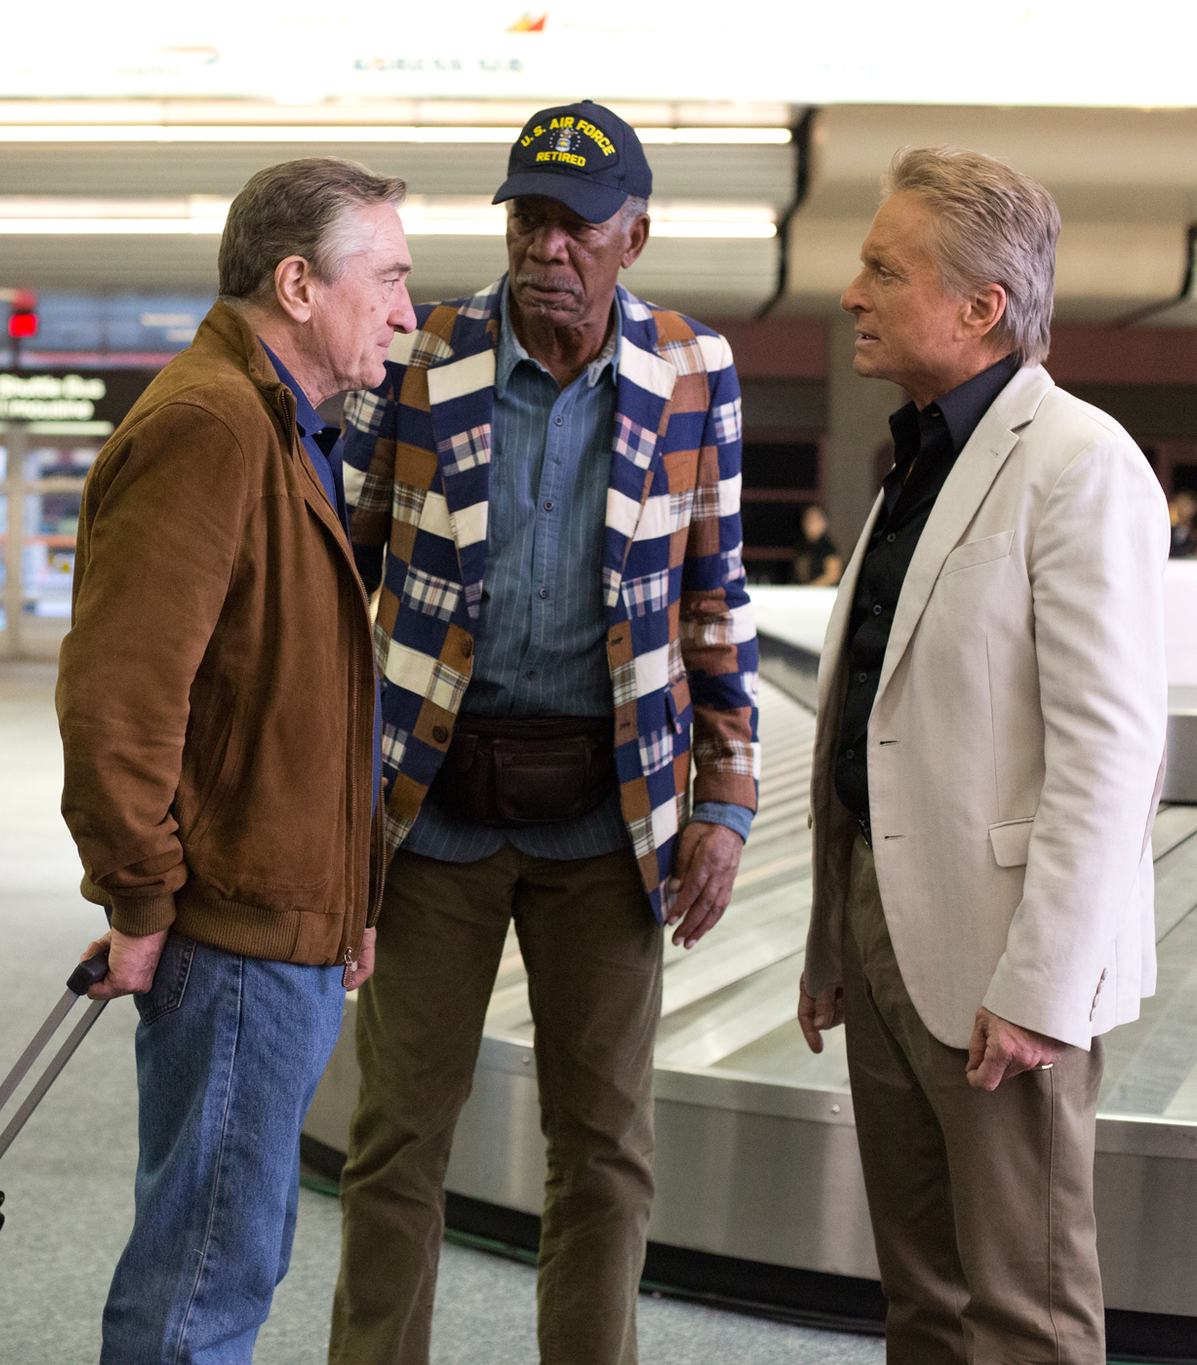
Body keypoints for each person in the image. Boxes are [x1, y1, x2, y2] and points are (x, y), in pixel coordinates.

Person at [327, 101, 760, 1365]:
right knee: (398, 1136)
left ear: (632, 235)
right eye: (526, 218)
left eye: (574, 224)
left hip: (605, 820)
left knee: (603, 1148)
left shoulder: (692, 370)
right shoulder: (422, 355)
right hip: (433, 812)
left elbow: (711, 600)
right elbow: (333, 573)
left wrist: (724, 804)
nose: (545, 247)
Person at [796, 147, 1168, 1362]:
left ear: (979, 308)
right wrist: (828, 938)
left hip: (1005, 962)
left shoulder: (1076, 462)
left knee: (1021, 1308)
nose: (850, 292)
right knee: (920, 1301)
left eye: (879, 268)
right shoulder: (917, 457)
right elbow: (873, 712)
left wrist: (1044, 987)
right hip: (885, 931)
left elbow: (1110, 748)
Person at [58, 156, 413, 1365]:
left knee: (227, 1250)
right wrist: (141, 896)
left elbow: (297, 695)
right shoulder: (210, 426)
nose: (407, 312)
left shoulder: (285, 429)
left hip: (286, 917)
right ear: (299, 284)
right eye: (391, 279)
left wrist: (349, 891)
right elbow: (121, 696)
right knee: (205, 1270)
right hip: (232, 931)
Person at [793, 502, 844, 585]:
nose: (810, 523)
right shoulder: (802, 546)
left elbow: (833, 575)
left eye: (814, 519)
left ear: (824, 522)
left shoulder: (828, 547)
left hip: (823, 595)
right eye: (807, 519)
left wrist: (812, 588)